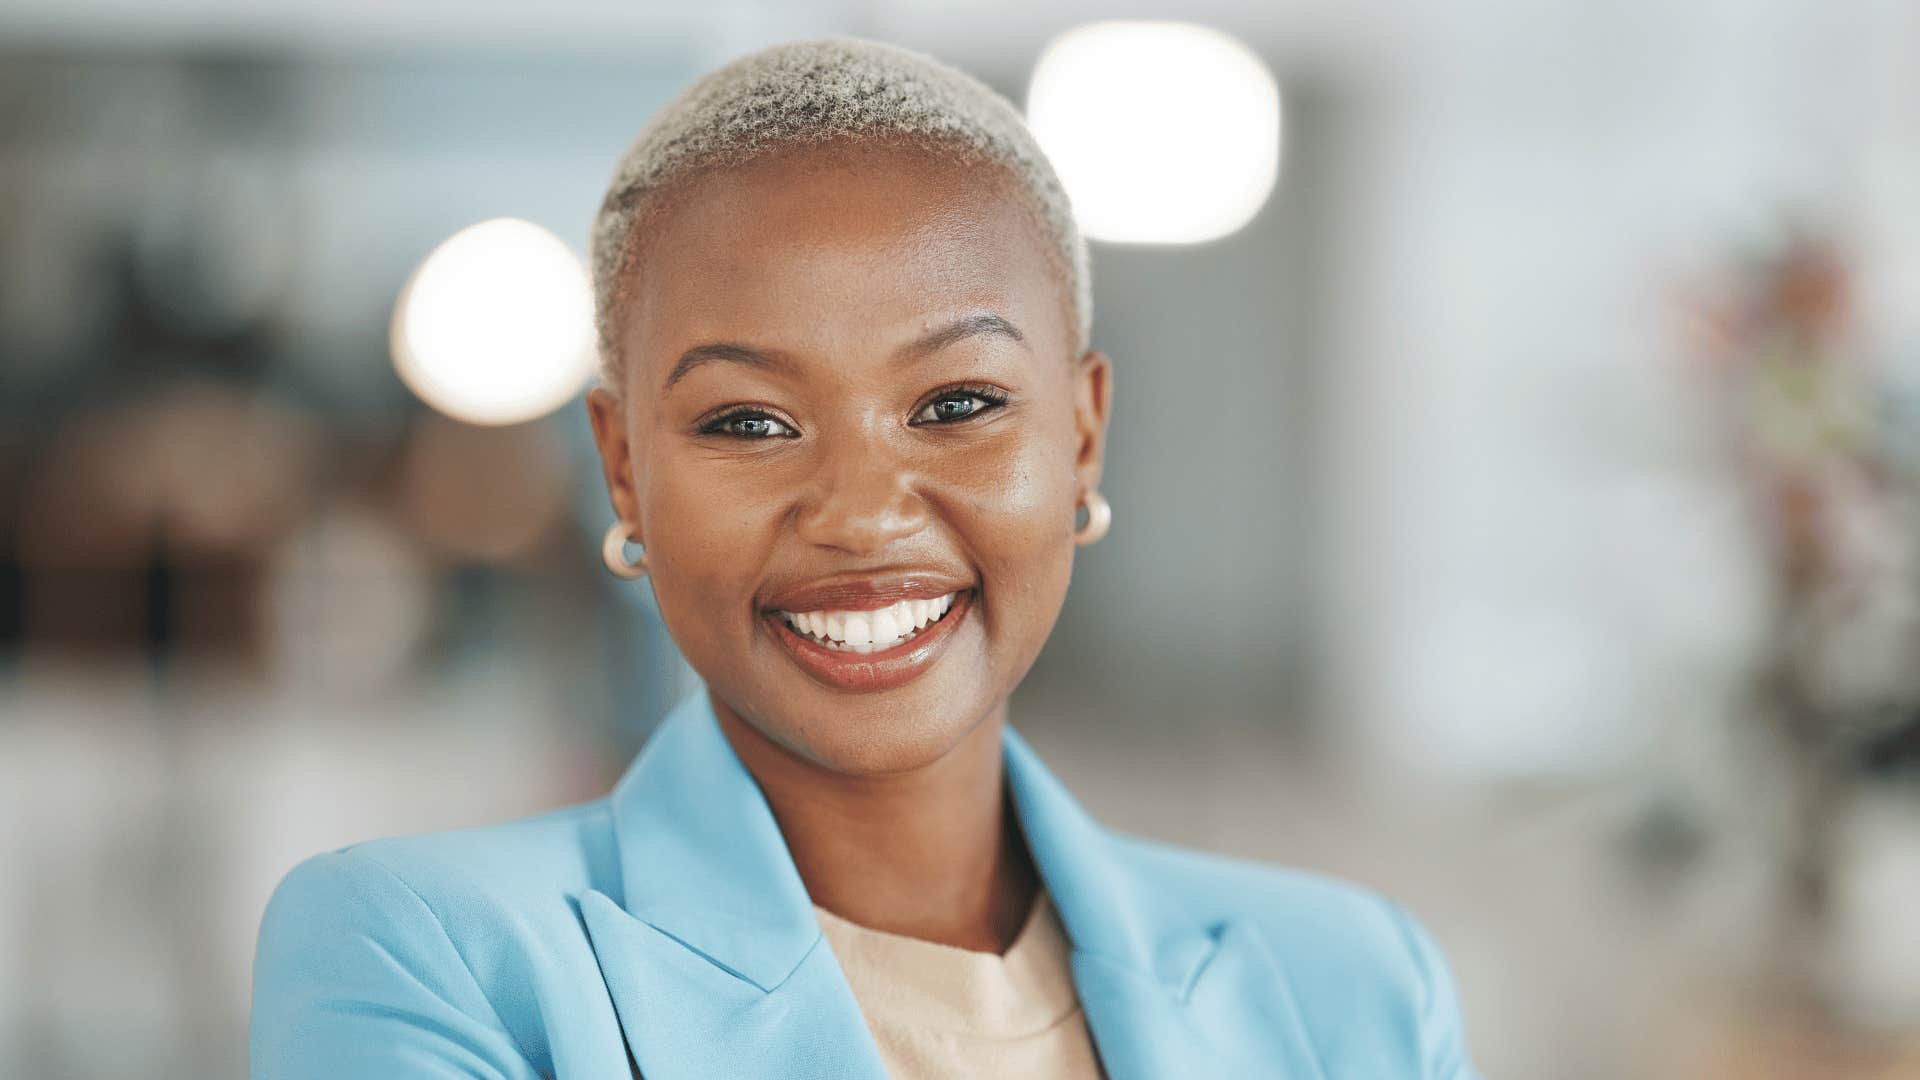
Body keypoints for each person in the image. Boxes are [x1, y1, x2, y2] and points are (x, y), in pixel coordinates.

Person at [249, 36, 1481, 1079]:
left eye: (956, 404)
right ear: (625, 471)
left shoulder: (1351, 990)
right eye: (749, 422)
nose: (860, 513)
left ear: (1085, 437)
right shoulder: (434, 954)